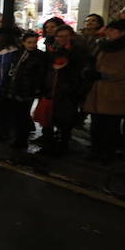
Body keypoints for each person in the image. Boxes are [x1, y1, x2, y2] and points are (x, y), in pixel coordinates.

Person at [82, 20, 125, 163]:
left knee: (111, 125)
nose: (108, 32)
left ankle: (107, 153)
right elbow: (93, 61)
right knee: (96, 124)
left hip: (116, 92)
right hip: (99, 90)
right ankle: (96, 150)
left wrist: (104, 75)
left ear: (123, 33)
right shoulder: (103, 44)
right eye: (108, 29)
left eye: (112, 30)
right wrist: (90, 70)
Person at [39, 25, 89, 155]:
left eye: (66, 36)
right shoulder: (52, 50)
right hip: (51, 89)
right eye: (60, 36)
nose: (63, 39)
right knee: (48, 119)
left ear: (71, 36)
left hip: (68, 91)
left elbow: (81, 71)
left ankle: (62, 146)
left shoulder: (78, 51)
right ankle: (47, 145)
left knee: (65, 121)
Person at [3, 31, 46, 150]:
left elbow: (40, 75)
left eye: (34, 42)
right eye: (29, 42)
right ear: (23, 42)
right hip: (15, 88)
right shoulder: (18, 54)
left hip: (27, 90)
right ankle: (16, 138)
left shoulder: (39, 56)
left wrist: (36, 88)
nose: (32, 45)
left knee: (23, 115)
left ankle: (21, 140)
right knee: (15, 115)